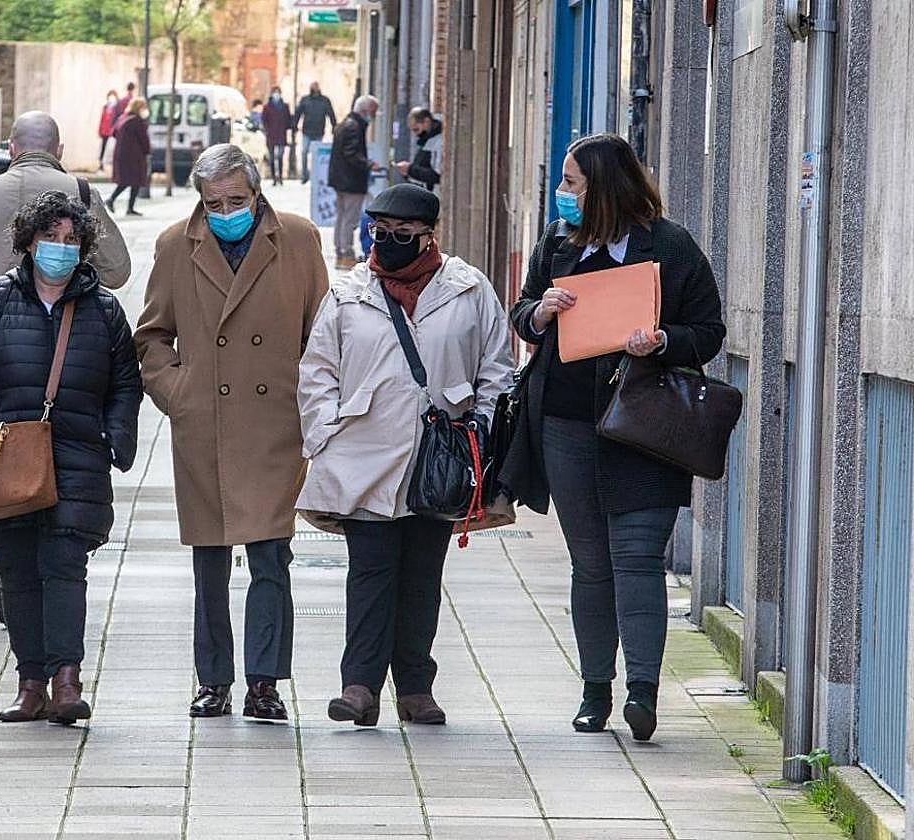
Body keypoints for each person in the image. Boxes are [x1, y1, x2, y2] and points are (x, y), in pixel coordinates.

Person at [508, 133, 726, 742]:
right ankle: (594, 691)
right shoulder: (557, 242)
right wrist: (542, 311)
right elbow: (522, 314)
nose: (562, 194)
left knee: (637, 560)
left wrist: (662, 341)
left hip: (645, 428)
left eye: (573, 184)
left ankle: (644, 693)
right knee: (591, 565)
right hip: (569, 427)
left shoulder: (671, 246)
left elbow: (707, 331)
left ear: (605, 187)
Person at [296, 183, 515, 727]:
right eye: (379, 233)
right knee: (369, 574)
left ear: (428, 237)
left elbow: (497, 368)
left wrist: (480, 436)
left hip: (440, 462)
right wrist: (325, 435)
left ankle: (416, 687)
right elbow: (317, 369)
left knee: (421, 575)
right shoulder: (348, 293)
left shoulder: (469, 290)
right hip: (363, 459)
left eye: (402, 235)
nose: (387, 242)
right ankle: (359, 686)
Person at [134, 144, 328, 722]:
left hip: (275, 422)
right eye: (213, 202)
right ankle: (213, 679)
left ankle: (264, 683)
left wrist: (312, 402)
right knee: (209, 561)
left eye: (235, 200)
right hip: (207, 425)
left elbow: (322, 328)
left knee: (272, 557)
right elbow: (150, 337)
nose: (225, 212)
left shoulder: (296, 237)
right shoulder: (176, 244)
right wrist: (180, 392)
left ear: (258, 191)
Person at [0, 190, 143, 725]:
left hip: (77, 458)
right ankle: (31, 683)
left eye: (71, 240)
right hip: (9, 462)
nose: (60, 248)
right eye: (50, 237)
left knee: (65, 568)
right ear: (28, 242)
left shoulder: (103, 310)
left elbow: (125, 382)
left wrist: (117, 434)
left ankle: (67, 679)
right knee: (19, 575)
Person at [0, 111, 132, 303]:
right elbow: (116, 272)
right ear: (59, 151)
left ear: (11, 148)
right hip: (63, 324)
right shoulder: (83, 194)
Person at [328, 95, 381, 271]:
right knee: (349, 219)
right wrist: (368, 164)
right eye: (372, 112)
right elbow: (352, 154)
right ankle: (346, 252)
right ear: (365, 110)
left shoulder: (346, 123)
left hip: (341, 180)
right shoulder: (354, 126)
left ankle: (341, 251)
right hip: (351, 181)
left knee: (342, 217)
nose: (373, 116)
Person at [106, 97, 150, 217]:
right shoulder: (137, 121)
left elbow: (114, 133)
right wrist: (147, 151)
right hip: (134, 156)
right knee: (133, 180)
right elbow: (144, 140)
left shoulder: (122, 118)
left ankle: (125, 206)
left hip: (121, 154)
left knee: (127, 180)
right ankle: (118, 202)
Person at [293, 82, 337, 184]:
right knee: (304, 152)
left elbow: (331, 114)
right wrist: (294, 125)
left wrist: (334, 126)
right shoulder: (305, 100)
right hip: (307, 131)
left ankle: (316, 175)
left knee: (316, 155)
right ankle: (305, 174)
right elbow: (298, 113)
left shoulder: (325, 101)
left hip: (319, 131)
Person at [396, 108, 443, 193]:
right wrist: (408, 172)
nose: (416, 134)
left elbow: (438, 175)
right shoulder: (427, 141)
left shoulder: (438, 141)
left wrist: (410, 169)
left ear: (426, 122)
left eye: (416, 129)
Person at [261, 87, 291, 187]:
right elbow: (264, 120)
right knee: (272, 157)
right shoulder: (267, 107)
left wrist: (288, 128)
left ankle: (281, 177)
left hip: (281, 134)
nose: (276, 94)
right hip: (271, 135)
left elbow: (288, 119)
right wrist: (266, 130)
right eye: (275, 92)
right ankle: (274, 177)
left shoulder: (285, 106)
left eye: (278, 92)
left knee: (280, 156)